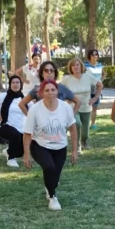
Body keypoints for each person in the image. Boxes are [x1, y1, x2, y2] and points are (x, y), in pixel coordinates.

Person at [23, 79, 78, 211]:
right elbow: (27, 134)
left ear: (57, 91)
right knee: (49, 167)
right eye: (47, 90)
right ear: (41, 93)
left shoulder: (65, 107)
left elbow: (73, 129)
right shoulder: (35, 109)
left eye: (53, 90)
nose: (50, 93)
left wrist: (75, 151)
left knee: (55, 177)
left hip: (60, 147)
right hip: (40, 145)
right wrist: (26, 155)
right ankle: (53, 198)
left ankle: (50, 187)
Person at [61, 58, 101, 151]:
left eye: (77, 65)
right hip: (73, 107)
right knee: (77, 123)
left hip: (86, 106)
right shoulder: (67, 79)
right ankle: (77, 145)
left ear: (81, 66)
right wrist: (66, 98)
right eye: (73, 65)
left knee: (85, 133)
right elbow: (59, 89)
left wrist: (95, 98)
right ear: (71, 67)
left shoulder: (88, 76)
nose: (76, 67)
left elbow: (100, 85)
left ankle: (84, 142)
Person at [0, 75, 28, 167]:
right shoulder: (3, 96)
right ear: (10, 84)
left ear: (21, 84)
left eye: (17, 82)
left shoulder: (24, 97)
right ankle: (11, 159)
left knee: (21, 151)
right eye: (13, 82)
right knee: (15, 134)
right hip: (3, 125)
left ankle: (8, 152)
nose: (15, 84)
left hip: (21, 127)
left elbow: (33, 109)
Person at [85, 49, 105, 130]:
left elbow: (103, 74)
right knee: (86, 106)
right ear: (89, 56)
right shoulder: (85, 65)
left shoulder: (100, 65)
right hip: (87, 89)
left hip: (97, 89)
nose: (94, 56)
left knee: (94, 107)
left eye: (96, 54)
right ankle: (85, 123)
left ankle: (93, 124)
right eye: (92, 55)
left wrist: (101, 81)